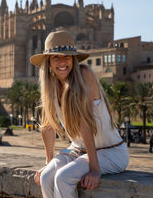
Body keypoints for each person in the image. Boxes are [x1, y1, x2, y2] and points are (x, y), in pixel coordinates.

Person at [30, 30, 129, 198]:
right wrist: (48, 163)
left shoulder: (84, 75)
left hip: (111, 152)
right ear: (48, 62)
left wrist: (95, 169)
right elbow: (47, 127)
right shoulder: (51, 85)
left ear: (73, 59)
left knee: (63, 177)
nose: (62, 61)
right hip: (78, 150)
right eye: (56, 57)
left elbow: (86, 124)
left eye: (67, 56)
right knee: (47, 177)